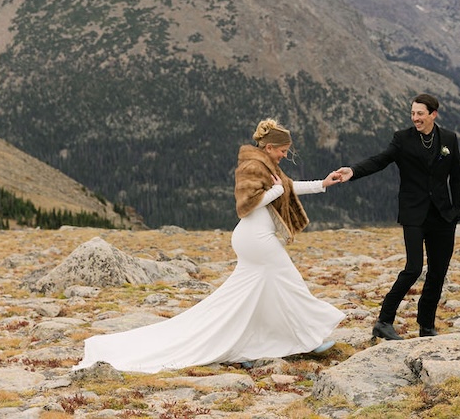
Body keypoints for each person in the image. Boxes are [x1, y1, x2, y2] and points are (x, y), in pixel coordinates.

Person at [74, 118, 344, 373]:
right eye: (283, 150)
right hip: (256, 240)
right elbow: (247, 205)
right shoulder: (252, 166)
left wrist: (322, 184)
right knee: (292, 285)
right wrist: (274, 192)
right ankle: (309, 340)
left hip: (254, 240)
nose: (285, 155)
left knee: (249, 297)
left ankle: (246, 347)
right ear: (270, 147)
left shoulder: (267, 165)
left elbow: (287, 186)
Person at [337, 93, 460, 340]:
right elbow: (381, 160)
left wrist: (456, 211)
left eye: (420, 113)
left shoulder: (449, 138)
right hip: (413, 214)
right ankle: (384, 321)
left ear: (433, 115)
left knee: (438, 273)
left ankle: (426, 326)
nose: (415, 118)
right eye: (413, 113)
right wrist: (353, 171)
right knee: (413, 268)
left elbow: (456, 178)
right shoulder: (402, 139)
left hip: (443, 216)